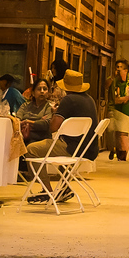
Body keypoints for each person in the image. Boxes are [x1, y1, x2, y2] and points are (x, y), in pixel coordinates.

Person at [23, 69, 99, 197]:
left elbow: (53, 127)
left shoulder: (68, 100)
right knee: (61, 150)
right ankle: (63, 188)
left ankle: (47, 191)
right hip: (90, 148)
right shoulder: (89, 99)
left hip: (73, 148)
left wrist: (55, 113)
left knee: (31, 149)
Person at [108, 59, 129, 160]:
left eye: (121, 68)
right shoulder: (113, 79)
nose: (118, 70)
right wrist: (113, 77)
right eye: (117, 67)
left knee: (123, 134)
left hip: (125, 111)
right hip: (112, 109)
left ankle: (124, 154)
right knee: (112, 130)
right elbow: (105, 86)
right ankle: (114, 149)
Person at [17, 78, 57, 147]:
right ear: (33, 93)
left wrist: (27, 121)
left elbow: (46, 124)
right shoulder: (25, 105)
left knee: (28, 147)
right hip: (24, 139)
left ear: (48, 93)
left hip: (42, 140)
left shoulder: (50, 106)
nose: (42, 91)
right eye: (39, 89)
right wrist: (38, 121)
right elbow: (17, 120)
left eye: (45, 89)